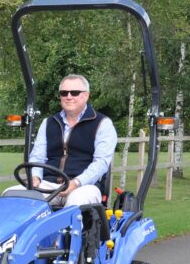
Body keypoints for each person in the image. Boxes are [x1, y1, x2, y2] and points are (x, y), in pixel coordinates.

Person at [7, 74, 117, 206]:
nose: (69, 96)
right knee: (11, 195)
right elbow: (37, 157)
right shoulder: (48, 123)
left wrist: (76, 182)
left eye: (75, 93)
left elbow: (101, 163)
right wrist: (35, 177)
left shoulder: (102, 124)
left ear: (86, 95)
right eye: (64, 93)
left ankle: (70, 227)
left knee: (75, 203)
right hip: (48, 185)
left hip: (84, 186)